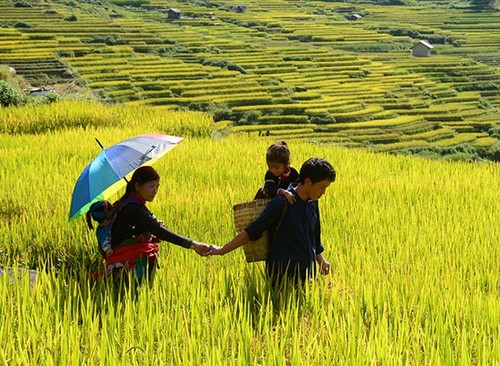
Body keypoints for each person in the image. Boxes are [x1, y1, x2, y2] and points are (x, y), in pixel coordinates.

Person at [209, 157, 336, 286]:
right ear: (308, 181)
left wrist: (321, 261)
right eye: (322, 187)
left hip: (307, 276)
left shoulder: (312, 203)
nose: (324, 192)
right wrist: (221, 250)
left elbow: (314, 237)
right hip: (282, 278)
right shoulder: (282, 202)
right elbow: (252, 231)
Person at [106, 166, 210, 283]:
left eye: (157, 186)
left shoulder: (134, 202)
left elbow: (144, 226)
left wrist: (150, 227)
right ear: (137, 186)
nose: (155, 190)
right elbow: (159, 231)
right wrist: (193, 245)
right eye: (151, 186)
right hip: (124, 258)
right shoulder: (133, 206)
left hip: (125, 252)